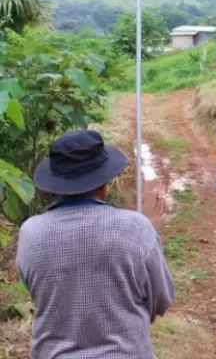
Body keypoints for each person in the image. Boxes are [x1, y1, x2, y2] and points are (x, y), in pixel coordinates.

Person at [16, 130, 174, 359]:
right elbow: (161, 300)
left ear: (55, 184)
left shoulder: (31, 233)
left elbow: (36, 290)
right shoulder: (137, 228)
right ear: (104, 182)